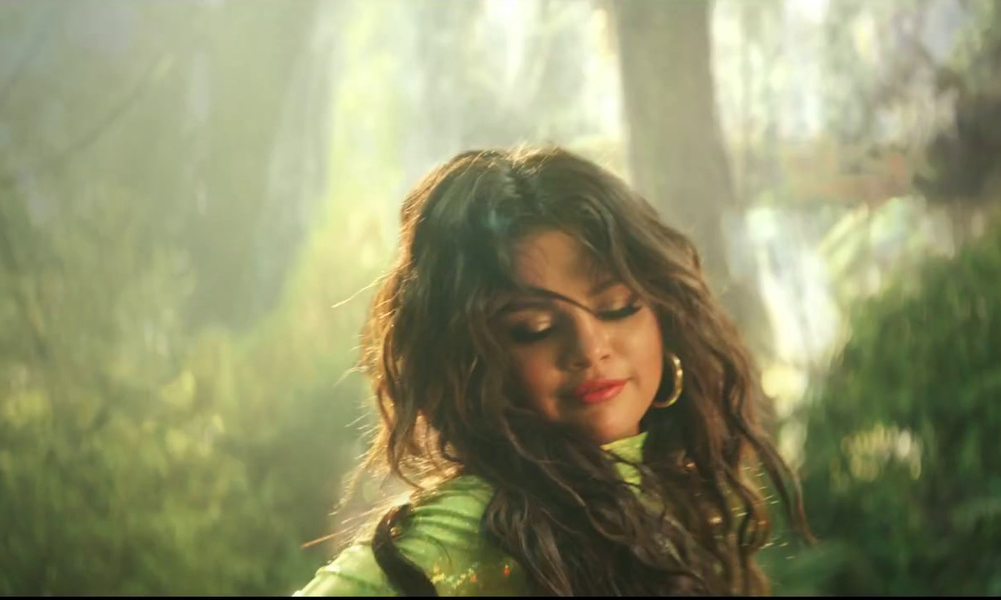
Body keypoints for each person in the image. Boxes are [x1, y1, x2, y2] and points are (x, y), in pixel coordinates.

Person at [294, 146, 808, 596]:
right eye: (534, 328)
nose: (589, 347)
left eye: (618, 305)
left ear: (665, 317)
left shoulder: (662, 486)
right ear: (470, 360)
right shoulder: (467, 526)